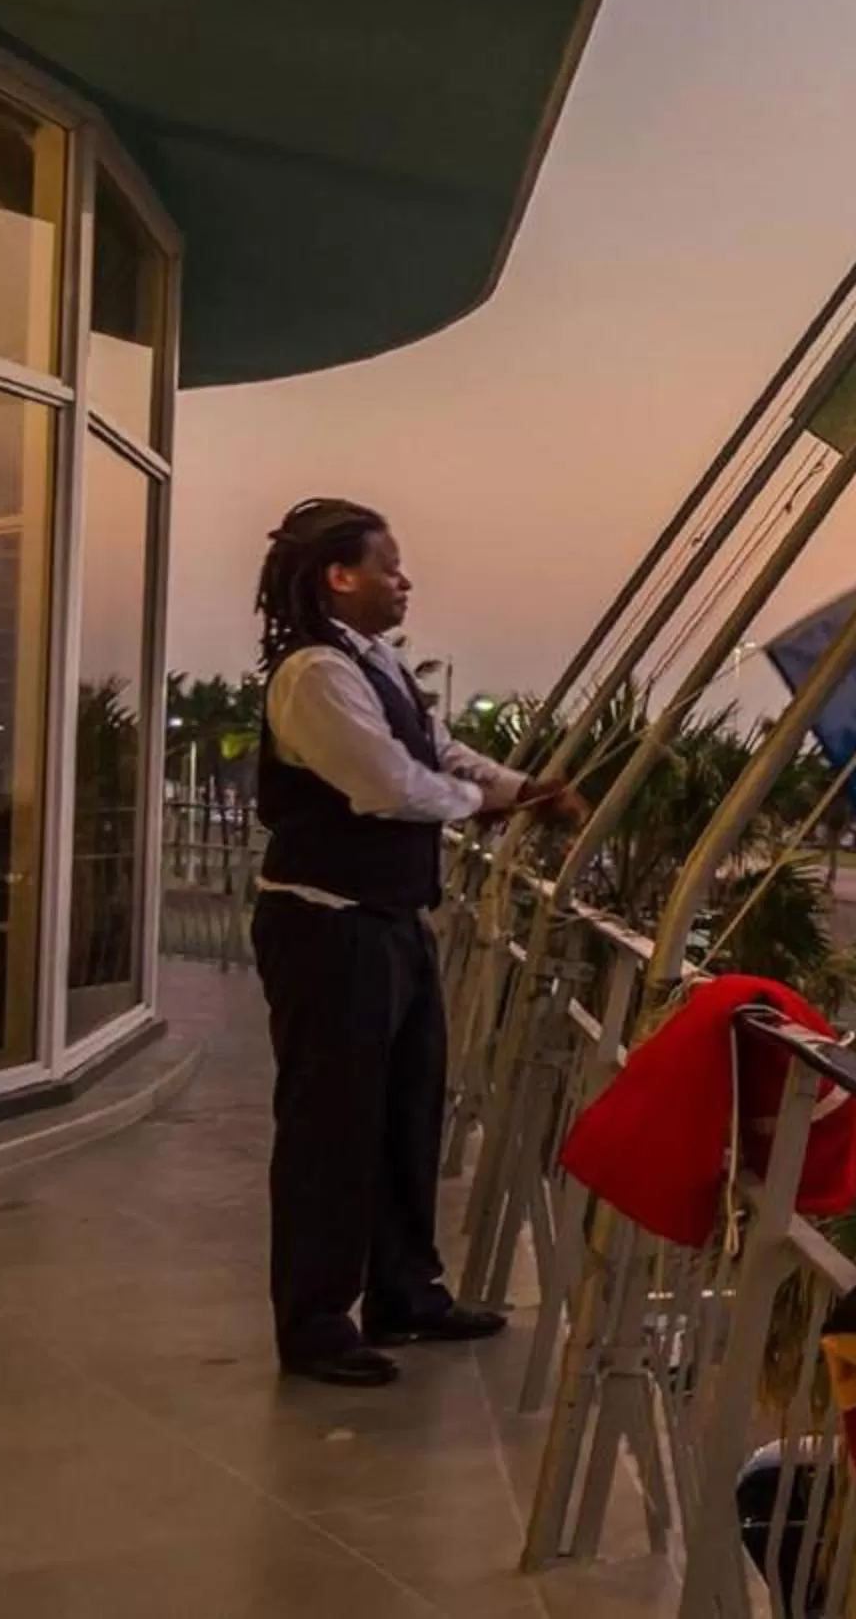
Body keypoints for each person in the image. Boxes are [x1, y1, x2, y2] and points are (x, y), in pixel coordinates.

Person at [251, 498, 585, 1387]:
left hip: (388, 919)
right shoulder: (314, 675)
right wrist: (482, 806)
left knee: (405, 1110)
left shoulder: (375, 666)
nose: (405, 582)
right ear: (341, 577)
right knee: (332, 1124)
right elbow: (389, 784)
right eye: (390, 567)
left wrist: (525, 789)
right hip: (326, 924)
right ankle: (318, 1321)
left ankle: (405, 1292)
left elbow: (444, 750)